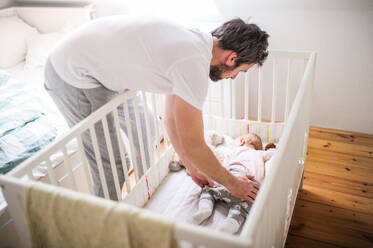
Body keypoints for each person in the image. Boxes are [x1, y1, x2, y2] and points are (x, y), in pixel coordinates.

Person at [44, 15, 269, 201]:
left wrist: (191, 166)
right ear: (232, 58)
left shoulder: (196, 43)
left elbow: (171, 120)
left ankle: (143, 193)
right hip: (72, 73)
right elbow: (194, 144)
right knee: (113, 164)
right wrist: (233, 183)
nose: (233, 78)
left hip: (102, 72)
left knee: (147, 127)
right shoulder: (192, 63)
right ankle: (105, 223)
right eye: (240, 72)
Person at [192, 133, 276, 234]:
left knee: (209, 189)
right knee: (245, 208)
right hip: (250, 185)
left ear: (241, 141)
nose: (231, 145)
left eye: (234, 142)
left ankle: (205, 208)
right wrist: (270, 148)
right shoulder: (260, 154)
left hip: (230, 176)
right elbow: (275, 152)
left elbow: (221, 169)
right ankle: (231, 223)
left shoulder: (232, 152)